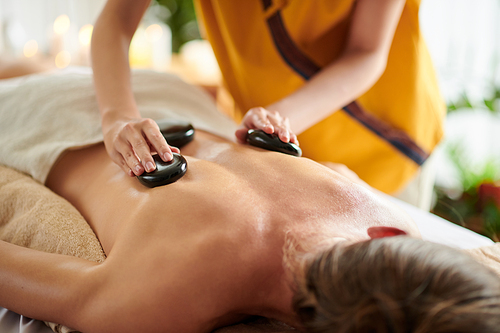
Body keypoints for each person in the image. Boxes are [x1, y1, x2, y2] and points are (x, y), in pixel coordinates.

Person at [0, 68, 500, 333]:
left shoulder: (378, 213)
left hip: (80, 111)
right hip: (128, 105)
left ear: (390, 241)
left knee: (26, 68)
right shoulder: (161, 298)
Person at [91, 0, 446, 210]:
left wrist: (280, 118)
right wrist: (117, 118)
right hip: (272, 144)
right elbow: (117, 20)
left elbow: (366, 51)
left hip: (386, 144)